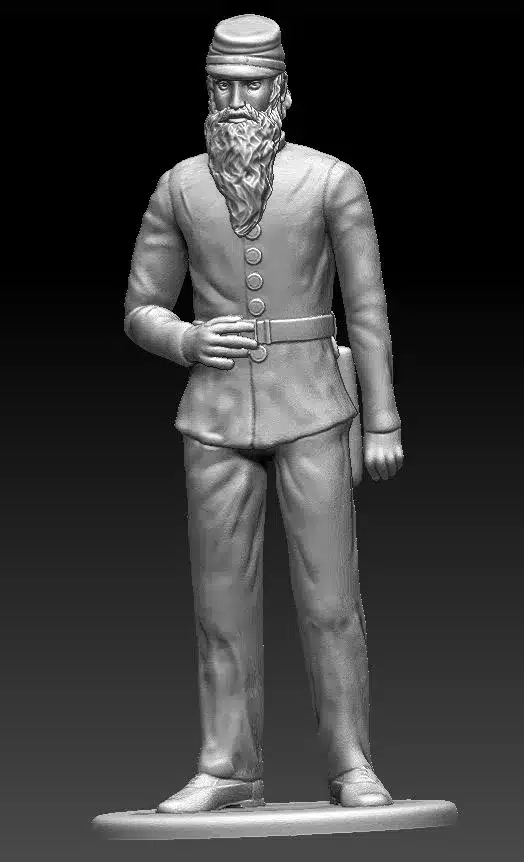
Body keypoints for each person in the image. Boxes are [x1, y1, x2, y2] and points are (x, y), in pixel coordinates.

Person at [124, 14, 404, 813]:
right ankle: (227, 766)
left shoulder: (331, 180)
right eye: (222, 85)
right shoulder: (179, 186)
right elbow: (141, 307)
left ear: (281, 90)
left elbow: (368, 309)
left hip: (313, 405)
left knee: (331, 599)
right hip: (214, 413)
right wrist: (185, 338)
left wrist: (382, 420)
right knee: (219, 603)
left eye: (250, 85)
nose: (235, 101)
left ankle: (352, 762)